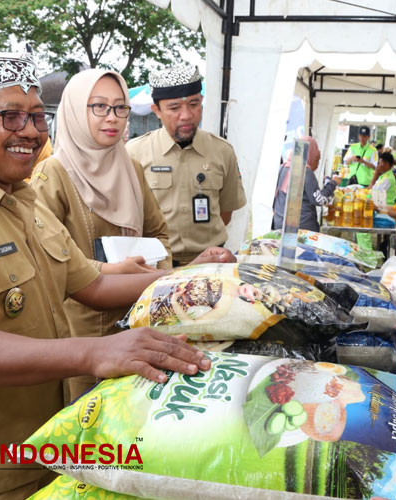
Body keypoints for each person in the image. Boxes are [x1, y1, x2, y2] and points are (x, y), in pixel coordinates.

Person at [0, 35, 228, 500]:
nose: (30, 130)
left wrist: (193, 277)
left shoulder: (23, 202)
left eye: (37, 116)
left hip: (42, 442)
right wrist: (95, 352)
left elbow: (92, 284)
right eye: (10, 116)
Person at [32, 68, 172, 400]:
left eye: (119, 107)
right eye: (99, 106)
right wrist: (110, 270)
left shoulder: (131, 167)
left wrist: (150, 265)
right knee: (86, 433)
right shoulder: (53, 174)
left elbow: (159, 235)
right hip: (82, 333)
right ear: (75, 111)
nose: (112, 118)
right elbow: (44, 258)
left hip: (137, 319)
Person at [126, 63, 247, 266]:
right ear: (156, 110)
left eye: (194, 104)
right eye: (174, 108)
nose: (186, 115)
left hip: (210, 265)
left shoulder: (222, 152)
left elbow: (225, 213)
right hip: (155, 267)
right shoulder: (135, 153)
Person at [271, 135, 341, 231]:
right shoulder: (306, 172)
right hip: (302, 228)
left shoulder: (282, 168)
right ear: (310, 155)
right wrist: (333, 183)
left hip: (280, 225)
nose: (317, 165)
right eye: (317, 159)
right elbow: (319, 200)